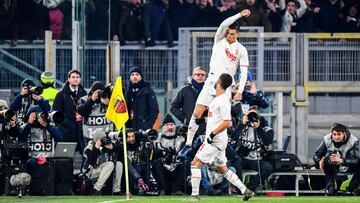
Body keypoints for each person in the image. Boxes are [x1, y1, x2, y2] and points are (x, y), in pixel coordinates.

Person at [179, 9, 251, 158]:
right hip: (211, 81)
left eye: (232, 34)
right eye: (228, 33)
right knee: (196, 113)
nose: (229, 35)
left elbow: (244, 72)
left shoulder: (242, 50)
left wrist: (240, 90)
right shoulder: (219, 40)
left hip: (225, 86)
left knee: (220, 118)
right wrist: (239, 15)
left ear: (238, 34)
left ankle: (216, 145)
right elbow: (224, 23)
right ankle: (188, 144)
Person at [188, 73, 254, 201]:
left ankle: (195, 196)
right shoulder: (218, 99)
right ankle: (245, 190)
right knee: (222, 169)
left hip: (214, 140)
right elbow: (217, 119)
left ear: (218, 81)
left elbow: (227, 122)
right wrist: (203, 120)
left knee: (195, 164)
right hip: (219, 141)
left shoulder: (223, 100)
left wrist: (212, 134)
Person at [229, 106, 274, 192]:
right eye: (249, 115)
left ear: (259, 117)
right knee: (236, 163)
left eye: (254, 115)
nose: (251, 117)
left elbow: (268, 141)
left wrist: (258, 127)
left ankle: (249, 189)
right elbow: (232, 138)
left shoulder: (265, 128)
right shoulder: (241, 126)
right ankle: (240, 189)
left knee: (268, 168)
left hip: (257, 159)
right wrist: (242, 124)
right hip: (242, 158)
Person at [313, 123, 360, 194]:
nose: (336, 137)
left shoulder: (353, 141)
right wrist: (319, 161)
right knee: (327, 160)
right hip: (334, 166)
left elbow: (356, 160)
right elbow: (316, 156)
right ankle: (330, 188)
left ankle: (350, 190)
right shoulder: (327, 139)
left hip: (349, 166)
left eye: (339, 134)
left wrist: (341, 160)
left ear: (344, 134)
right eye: (334, 134)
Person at [53, 69, 87, 154]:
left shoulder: (84, 93)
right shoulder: (61, 94)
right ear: (69, 79)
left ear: (80, 79)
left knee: (85, 157)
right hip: (66, 131)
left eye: (77, 77)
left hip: (81, 131)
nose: (75, 79)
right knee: (66, 158)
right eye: (73, 77)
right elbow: (56, 113)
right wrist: (67, 123)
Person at [152, 114, 186, 195]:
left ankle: (176, 189)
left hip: (176, 168)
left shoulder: (180, 138)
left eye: (171, 125)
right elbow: (154, 156)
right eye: (167, 125)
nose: (170, 127)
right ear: (163, 127)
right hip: (163, 169)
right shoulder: (157, 139)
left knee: (185, 163)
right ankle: (162, 189)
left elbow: (183, 154)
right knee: (156, 163)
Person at [83, 129, 123, 195]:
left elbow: (120, 148)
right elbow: (92, 162)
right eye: (102, 139)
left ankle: (116, 190)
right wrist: (96, 148)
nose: (104, 140)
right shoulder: (89, 147)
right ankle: (96, 189)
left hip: (103, 170)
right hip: (90, 172)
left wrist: (112, 147)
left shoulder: (105, 145)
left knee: (119, 164)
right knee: (110, 164)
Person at [170, 67, 207, 134]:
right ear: (193, 76)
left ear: (205, 77)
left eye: (203, 75)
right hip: (188, 128)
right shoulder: (185, 90)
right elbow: (173, 107)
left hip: (205, 128)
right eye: (198, 74)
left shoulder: (209, 91)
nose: (200, 76)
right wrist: (184, 119)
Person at [125, 66, 159, 131]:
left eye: (137, 74)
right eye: (132, 75)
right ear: (130, 77)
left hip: (143, 128)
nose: (134, 76)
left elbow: (154, 111)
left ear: (141, 76)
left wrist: (148, 126)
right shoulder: (126, 91)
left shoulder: (148, 91)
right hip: (129, 128)